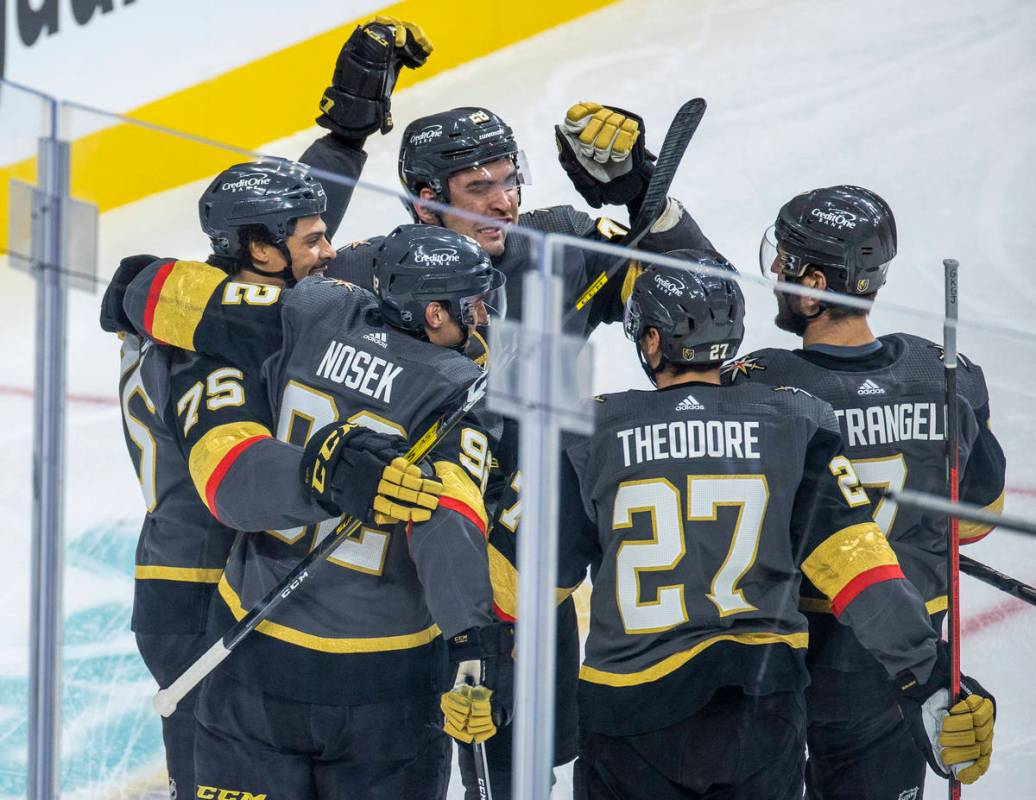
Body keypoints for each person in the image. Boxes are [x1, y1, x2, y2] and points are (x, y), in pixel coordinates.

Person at [329, 100, 720, 797]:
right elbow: (277, 319)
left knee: (522, 777)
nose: (504, 201)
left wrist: (643, 197)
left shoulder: (559, 248)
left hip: (529, 566)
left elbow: (707, 305)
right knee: (396, 768)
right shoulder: (369, 273)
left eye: (509, 180)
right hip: (408, 567)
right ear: (425, 200)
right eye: (479, 188)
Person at [98, 18, 435, 793]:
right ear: (255, 252)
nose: (326, 251)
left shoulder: (211, 297)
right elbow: (277, 307)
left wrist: (345, 134)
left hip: (220, 577)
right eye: (309, 241)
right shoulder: (211, 334)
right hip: (197, 586)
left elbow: (292, 259)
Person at [560, 254, 997, 799]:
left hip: (628, 715)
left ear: (651, 342)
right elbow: (856, 559)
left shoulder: (584, 429)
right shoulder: (796, 418)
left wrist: (476, 658)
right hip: (760, 709)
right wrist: (927, 670)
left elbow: (519, 585)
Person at [116, 223, 512, 799]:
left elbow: (190, 299)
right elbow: (446, 519)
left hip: (251, 654)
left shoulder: (316, 310)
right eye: (471, 304)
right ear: (432, 313)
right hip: (382, 678)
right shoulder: (461, 387)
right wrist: (472, 643)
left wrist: (135, 289)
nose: (480, 318)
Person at [721, 185, 1006, 799]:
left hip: (793, 648)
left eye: (787, 259)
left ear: (815, 280)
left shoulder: (766, 384)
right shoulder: (943, 374)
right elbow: (981, 518)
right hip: (903, 658)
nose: (775, 270)